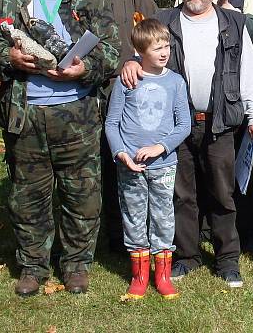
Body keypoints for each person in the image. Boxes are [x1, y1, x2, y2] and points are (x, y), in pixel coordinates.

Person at [0, 0, 120, 297]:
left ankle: (76, 265)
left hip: (77, 116)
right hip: (25, 117)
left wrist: (83, 68)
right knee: (28, 196)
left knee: (82, 195)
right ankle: (32, 266)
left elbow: (112, 51)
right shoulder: (12, 2)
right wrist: (8, 58)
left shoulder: (89, 1)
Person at [123, 0, 253, 288]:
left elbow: (248, 74)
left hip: (221, 122)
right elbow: (144, 46)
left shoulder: (234, 23)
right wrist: (130, 61)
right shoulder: (165, 20)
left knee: (223, 193)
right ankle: (187, 256)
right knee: (182, 194)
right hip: (176, 124)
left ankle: (227, 259)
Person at [175, 0, 253, 252]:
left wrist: (224, 6)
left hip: (231, 96)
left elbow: (252, 30)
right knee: (196, 171)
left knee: (235, 173)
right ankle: (197, 234)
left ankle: (245, 232)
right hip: (192, 104)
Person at [73, 0, 158, 254]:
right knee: (87, 167)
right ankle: (92, 239)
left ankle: (129, 236)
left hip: (124, 90)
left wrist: (137, 59)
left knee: (123, 162)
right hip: (81, 90)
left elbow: (154, 30)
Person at [104, 18, 190, 299]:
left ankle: (162, 275)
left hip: (163, 166)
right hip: (130, 166)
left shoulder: (176, 82)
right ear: (140, 51)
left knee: (164, 218)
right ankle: (139, 276)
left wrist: (160, 148)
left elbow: (184, 125)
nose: (164, 53)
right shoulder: (126, 81)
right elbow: (111, 123)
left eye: (167, 46)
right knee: (134, 217)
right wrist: (121, 154)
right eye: (157, 48)